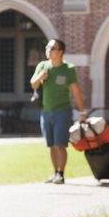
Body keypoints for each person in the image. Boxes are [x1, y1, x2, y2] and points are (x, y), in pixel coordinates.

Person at [29, 39, 86, 184]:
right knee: (52, 145)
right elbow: (33, 84)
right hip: (46, 112)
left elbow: (76, 91)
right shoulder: (43, 66)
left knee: (61, 144)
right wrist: (40, 77)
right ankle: (55, 173)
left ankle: (61, 173)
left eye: (52, 48)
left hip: (63, 111)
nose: (48, 50)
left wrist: (82, 112)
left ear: (60, 52)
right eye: (47, 47)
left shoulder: (68, 68)